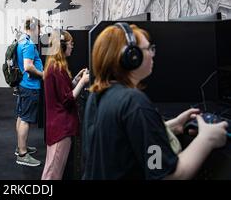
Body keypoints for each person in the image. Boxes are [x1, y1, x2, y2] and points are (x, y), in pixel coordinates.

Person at [83, 22, 228, 179]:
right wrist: (207, 138)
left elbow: (121, 140)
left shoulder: (98, 95)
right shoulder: (134, 103)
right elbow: (166, 175)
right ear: (132, 57)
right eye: (148, 49)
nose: (153, 54)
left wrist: (172, 126)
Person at [41, 30, 90, 180]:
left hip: (56, 125)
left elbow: (63, 90)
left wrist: (75, 80)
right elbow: (68, 99)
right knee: (52, 174)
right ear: (62, 46)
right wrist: (82, 82)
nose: (72, 47)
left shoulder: (54, 66)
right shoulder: (57, 68)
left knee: (51, 169)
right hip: (61, 127)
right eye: (71, 44)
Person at [15, 17, 44, 167]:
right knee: (26, 119)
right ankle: (22, 154)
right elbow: (28, 66)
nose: (40, 32)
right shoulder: (29, 45)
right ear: (33, 28)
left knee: (21, 116)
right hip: (30, 86)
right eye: (39, 28)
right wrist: (43, 74)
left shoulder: (21, 41)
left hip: (24, 85)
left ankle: (21, 146)